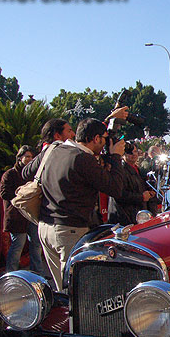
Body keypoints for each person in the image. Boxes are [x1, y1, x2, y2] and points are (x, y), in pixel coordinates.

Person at [22, 117, 126, 290]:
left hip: (45, 227)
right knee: (76, 290)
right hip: (69, 230)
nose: (105, 144)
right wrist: (115, 156)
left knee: (61, 288)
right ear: (96, 139)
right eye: (104, 139)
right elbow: (115, 189)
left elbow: (26, 172)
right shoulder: (82, 159)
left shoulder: (54, 149)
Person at [0, 145, 45, 275]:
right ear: (20, 158)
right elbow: (4, 193)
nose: (29, 159)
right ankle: (11, 274)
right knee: (17, 246)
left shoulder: (34, 175)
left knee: (36, 244)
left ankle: (37, 273)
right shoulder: (10, 174)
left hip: (31, 215)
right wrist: (21, 196)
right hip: (16, 216)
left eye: (31, 157)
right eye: (27, 157)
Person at [108, 142, 156, 225]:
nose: (134, 154)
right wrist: (141, 197)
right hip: (125, 217)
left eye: (135, 151)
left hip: (136, 214)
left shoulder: (138, 169)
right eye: (130, 152)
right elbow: (120, 194)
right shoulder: (121, 170)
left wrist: (151, 192)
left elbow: (140, 187)